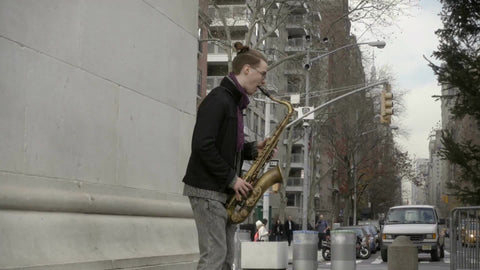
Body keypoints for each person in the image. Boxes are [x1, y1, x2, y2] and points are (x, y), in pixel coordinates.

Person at [182, 42, 269, 270]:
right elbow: (202, 145)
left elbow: (224, 146)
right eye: (263, 73)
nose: (264, 81)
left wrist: (253, 150)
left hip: (222, 192)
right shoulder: (219, 100)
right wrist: (232, 178)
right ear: (247, 69)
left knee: (226, 257)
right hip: (208, 190)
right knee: (214, 256)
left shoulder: (233, 103)